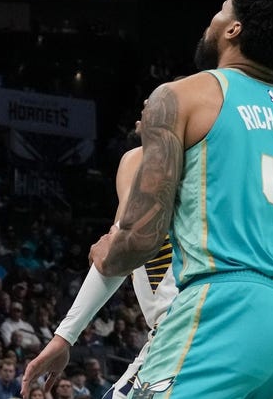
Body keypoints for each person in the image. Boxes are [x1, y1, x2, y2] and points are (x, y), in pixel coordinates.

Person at [91, 0, 273, 398]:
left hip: (226, 309)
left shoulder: (184, 95)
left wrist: (109, 252)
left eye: (221, 10)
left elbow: (142, 238)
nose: (212, 19)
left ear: (234, 29)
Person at [21, 144, 178, 399]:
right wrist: (64, 337)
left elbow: (111, 258)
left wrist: (65, 335)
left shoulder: (142, 159)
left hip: (187, 326)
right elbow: (117, 254)